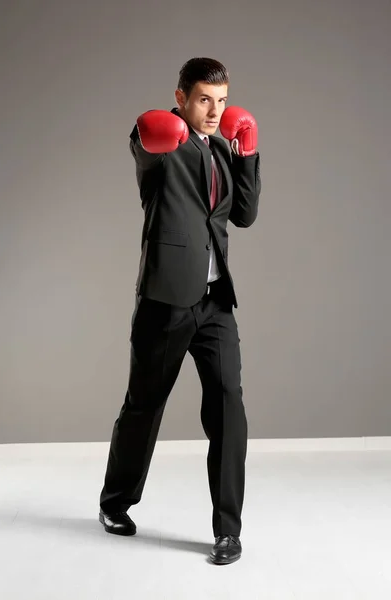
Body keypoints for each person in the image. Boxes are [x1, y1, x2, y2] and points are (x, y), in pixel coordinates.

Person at [99, 57, 261, 565]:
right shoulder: (163, 146)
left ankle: (227, 531)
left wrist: (248, 151)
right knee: (143, 406)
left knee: (229, 407)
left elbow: (246, 214)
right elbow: (144, 142)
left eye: (222, 100)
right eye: (204, 100)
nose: (215, 111)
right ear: (181, 98)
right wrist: (147, 130)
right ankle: (115, 503)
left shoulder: (222, 145)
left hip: (215, 301)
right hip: (166, 299)